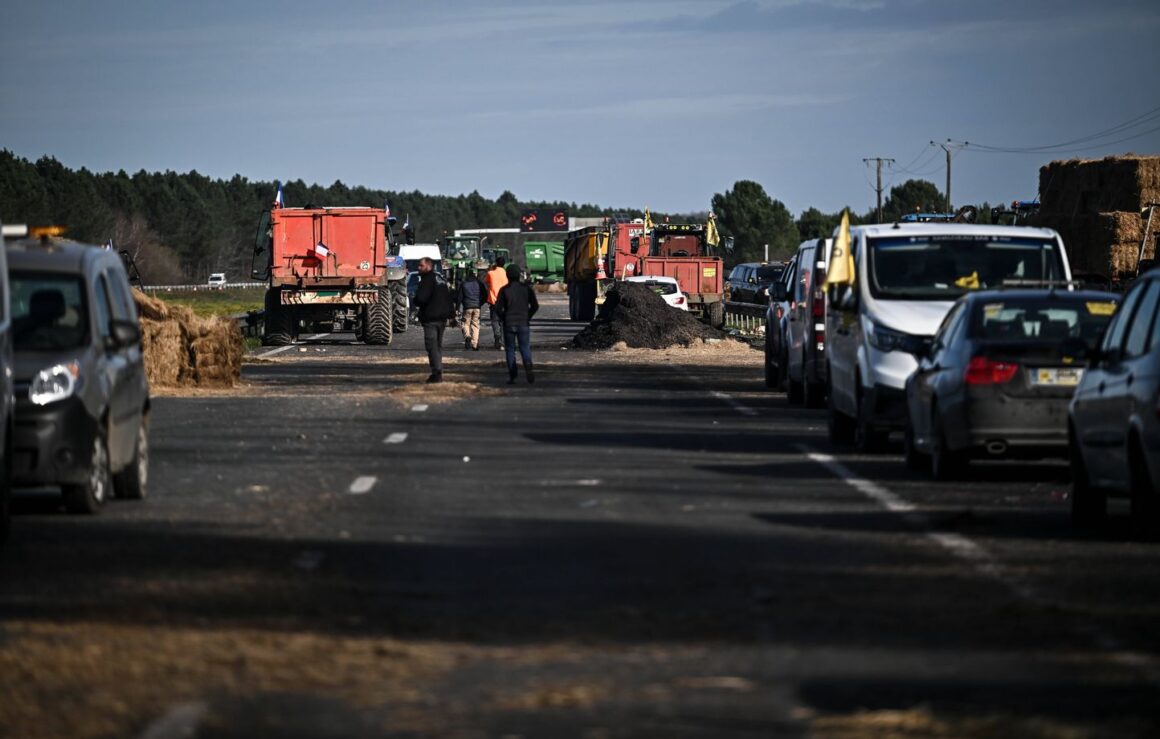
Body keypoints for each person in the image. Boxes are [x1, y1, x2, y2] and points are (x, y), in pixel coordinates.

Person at [495, 263, 539, 384]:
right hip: (523, 322)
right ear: (519, 275)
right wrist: (528, 316)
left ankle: (513, 375)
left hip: (509, 323)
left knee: (510, 350)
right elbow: (535, 306)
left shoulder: (504, 290)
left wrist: (504, 318)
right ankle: (528, 365)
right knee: (524, 347)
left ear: (507, 276)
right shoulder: (526, 289)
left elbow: (497, 308)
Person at [412, 257, 452, 383]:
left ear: (428, 266)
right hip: (442, 318)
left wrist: (415, 300)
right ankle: (437, 371)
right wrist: (451, 315)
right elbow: (449, 297)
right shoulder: (440, 279)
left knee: (432, 346)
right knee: (438, 346)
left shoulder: (427, 280)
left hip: (431, 318)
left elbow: (422, 298)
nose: (419, 268)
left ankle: (437, 372)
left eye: (421, 265)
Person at [456, 268, 486, 351]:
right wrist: (480, 303)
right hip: (477, 307)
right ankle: (475, 344)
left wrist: (457, 308)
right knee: (475, 325)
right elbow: (485, 295)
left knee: (465, 323)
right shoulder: (479, 283)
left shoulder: (464, 284)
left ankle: (467, 336)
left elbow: (459, 297)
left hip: (467, 307)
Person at [484, 256, 509, 351]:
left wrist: (492, 268)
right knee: (503, 322)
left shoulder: (490, 273)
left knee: (495, 321)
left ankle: (497, 338)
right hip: (504, 301)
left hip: (494, 301)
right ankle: (502, 342)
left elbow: (487, 282)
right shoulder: (506, 273)